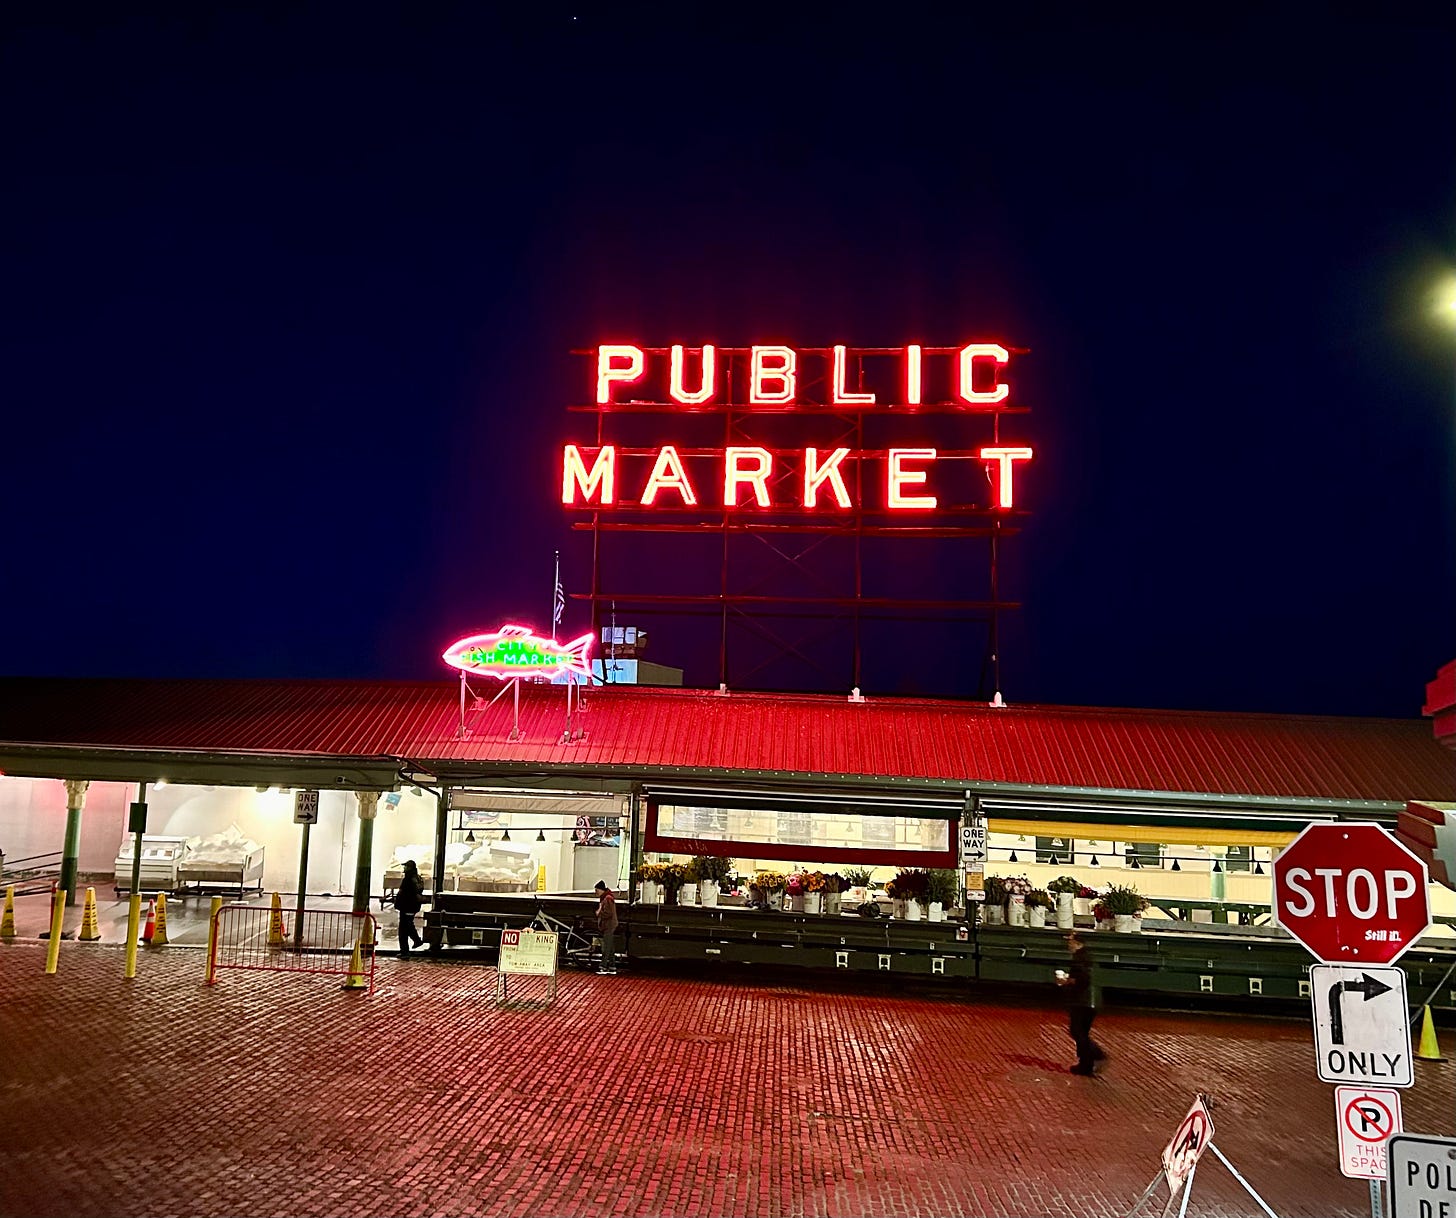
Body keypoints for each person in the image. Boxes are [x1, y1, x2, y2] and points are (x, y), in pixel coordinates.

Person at [1057, 931, 1107, 1075]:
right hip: (1091, 1000)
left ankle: (1094, 1056)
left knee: (1077, 1031)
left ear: (1078, 943)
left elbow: (1082, 979)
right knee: (1081, 1032)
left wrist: (1065, 981)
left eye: (1071, 942)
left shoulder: (1079, 958)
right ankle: (1087, 1063)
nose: (1069, 944)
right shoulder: (1087, 957)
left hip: (1082, 1001)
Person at [393, 859, 425, 957]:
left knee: (404, 928)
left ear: (410, 868)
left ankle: (409, 947)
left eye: (406, 866)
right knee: (407, 925)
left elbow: (403, 892)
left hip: (407, 905)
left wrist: (397, 902)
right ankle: (408, 948)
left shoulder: (408, 879)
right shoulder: (418, 878)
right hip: (413, 906)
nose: (404, 868)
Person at [594, 879, 618, 975]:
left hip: (608, 925)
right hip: (610, 925)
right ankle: (612, 966)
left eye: (597, 890)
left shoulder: (607, 899)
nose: (595, 892)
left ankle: (603, 966)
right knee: (610, 947)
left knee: (606, 947)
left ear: (601, 890)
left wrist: (599, 913)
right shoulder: (607, 897)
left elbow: (608, 913)